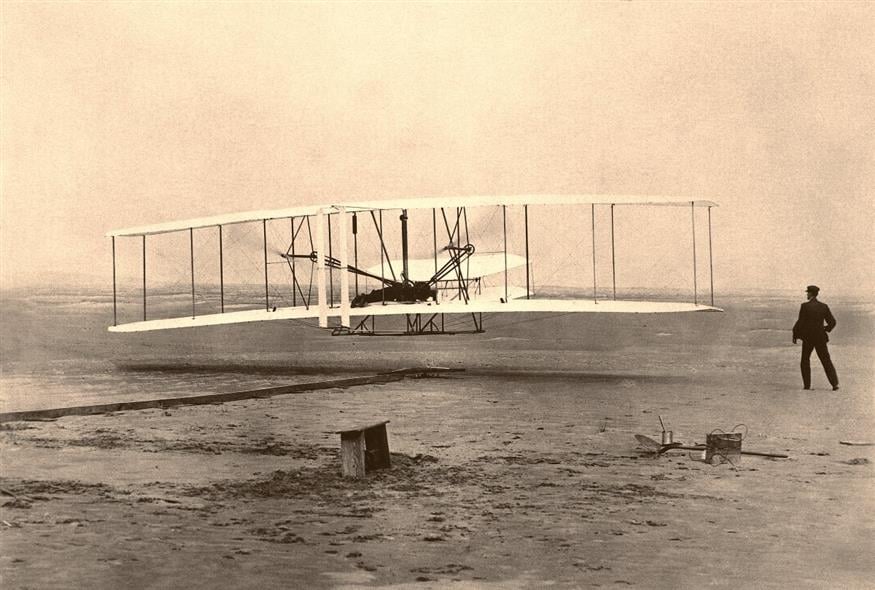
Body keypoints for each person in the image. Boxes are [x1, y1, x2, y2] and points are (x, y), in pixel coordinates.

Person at [792, 285, 839, 390]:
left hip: (808, 338)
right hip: (820, 338)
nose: (806, 294)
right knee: (826, 360)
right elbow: (832, 322)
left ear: (811, 294)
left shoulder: (805, 306)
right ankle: (834, 384)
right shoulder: (824, 306)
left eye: (807, 293)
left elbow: (800, 322)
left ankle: (807, 385)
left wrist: (795, 334)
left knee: (805, 360)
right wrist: (825, 329)